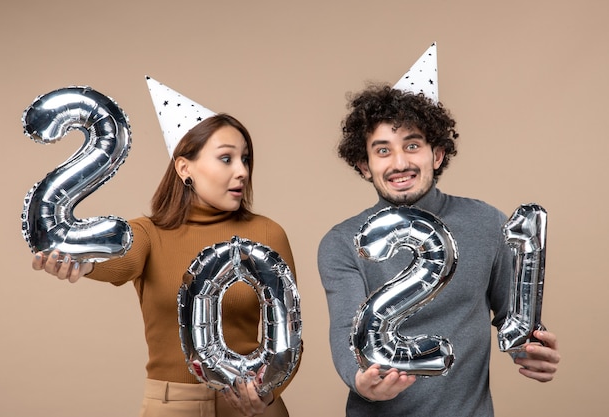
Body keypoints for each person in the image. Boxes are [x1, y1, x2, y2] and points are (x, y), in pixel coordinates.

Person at [32, 113, 301, 417]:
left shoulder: (268, 234)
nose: (242, 171)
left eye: (246, 159)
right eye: (226, 159)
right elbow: (120, 261)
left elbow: (289, 336)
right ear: (185, 168)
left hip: (253, 407)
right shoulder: (149, 233)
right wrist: (83, 263)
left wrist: (267, 395)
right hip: (174, 407)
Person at [317, 84, 560, 417]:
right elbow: (346, 330)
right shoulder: (343, 242)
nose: (399, 163)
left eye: (412, 145)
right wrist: (361, 381)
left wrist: (531, 349)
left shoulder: (487, 224)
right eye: (383, 150)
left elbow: (511, 318)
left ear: (437, 154)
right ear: (364, 164)